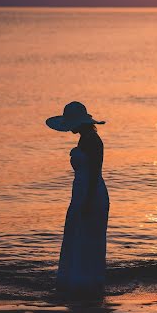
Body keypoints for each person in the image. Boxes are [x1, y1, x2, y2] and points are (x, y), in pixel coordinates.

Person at [46, 102, 109, 296]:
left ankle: (85, 283)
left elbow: (94, 173)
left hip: (91, 191)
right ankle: (79, 280)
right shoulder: (85, 139)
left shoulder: (92, 141)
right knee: (80, 234)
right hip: (83, 191)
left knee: (87, 235)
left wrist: (88, 200)